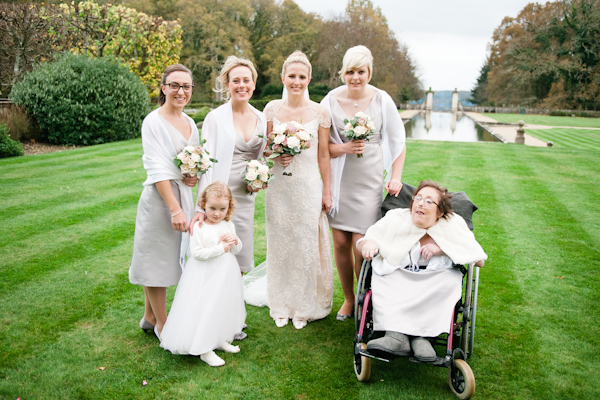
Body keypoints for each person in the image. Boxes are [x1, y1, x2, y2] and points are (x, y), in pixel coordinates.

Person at [321, 45, 407, 321]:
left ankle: (365, 299)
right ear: (342, 73)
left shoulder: (382, 100)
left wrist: (395, 176)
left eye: (360, 72)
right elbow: (322, 149)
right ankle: (348, 299)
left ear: (369, 72)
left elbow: (398, 142)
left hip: (369, 179)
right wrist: (344, 148)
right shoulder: (330, 100)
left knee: (362, 243)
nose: (355, 77)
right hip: (339, 179)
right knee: (340, 242)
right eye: (350, 72)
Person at [357, 180, 486, 362]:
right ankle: (396, 336)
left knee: (448, 283)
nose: (420, 203)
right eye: (418, 198)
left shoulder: (453, 223)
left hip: (436, 277)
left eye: (428, 201)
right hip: (398, 273)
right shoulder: (396, 217)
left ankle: (424, 338)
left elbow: (478, 259)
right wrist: (368, 243)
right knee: (382, 276)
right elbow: (368, 238)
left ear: (440, 211)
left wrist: (441, 247)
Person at [262, 50, 334, 330]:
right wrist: (276, 154)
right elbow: (266, 148)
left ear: (309, 79)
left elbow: (324, 155)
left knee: (305, 243)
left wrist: (327, 191)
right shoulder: (271, 109)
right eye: (291, 76)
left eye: (302, 76)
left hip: (308, 186)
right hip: (279, 187)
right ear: (283, 77)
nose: (296, 81)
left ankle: (304, 306)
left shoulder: (320, 112)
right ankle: (280, 304)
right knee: (279, 243)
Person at [129, 64, 200, 338]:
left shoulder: (191, 123)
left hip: (183, 194)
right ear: (163, 87)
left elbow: (189, 160)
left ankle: (148, 316)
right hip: (161, 200)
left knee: (169, 258)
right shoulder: (153, 122)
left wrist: (191, 176)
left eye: (186, 86)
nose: (180, 91)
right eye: (175, 85)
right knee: (155, 260)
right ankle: (162, 323)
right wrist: (175, 209)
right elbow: (157, 168)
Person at [190, 56, 267, 274]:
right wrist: (201, 206)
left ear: (253, 83)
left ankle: (237, 294)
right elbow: (206, 161)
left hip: (245, 193)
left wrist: (260, 179)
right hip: (219, 194)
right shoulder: (215, 118)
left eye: (246, 80)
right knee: (217, 245)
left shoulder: (261, 118)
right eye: (236, 81)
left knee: (241, 244)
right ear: (227, 85)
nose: (241, 85)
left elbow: (262, 157)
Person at [160, 181, 245, 367]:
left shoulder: (228, 224)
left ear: (228, 208)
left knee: (220, 305)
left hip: (225, 274)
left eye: (222, 209)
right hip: (204, 275)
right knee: (205, 307)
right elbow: (197, 254)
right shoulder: (198, 226)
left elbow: (236, 249)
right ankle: (204, 349)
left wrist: (235, 240)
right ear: (203, 205)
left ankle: (219, 338)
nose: (217, 213)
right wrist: (220, 248)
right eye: (212, 208)